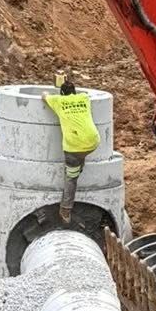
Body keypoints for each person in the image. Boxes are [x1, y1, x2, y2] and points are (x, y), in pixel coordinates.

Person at [42, 72, 100, 222]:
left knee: (71, 178)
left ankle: (65, 210)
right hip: (93, 143)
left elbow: (44, 96)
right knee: (80, 159)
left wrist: (51, 91)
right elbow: (84, 94)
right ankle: (78, 167)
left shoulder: (57, 101)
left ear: (61, 94)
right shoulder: (84, 98)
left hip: (73, 148)